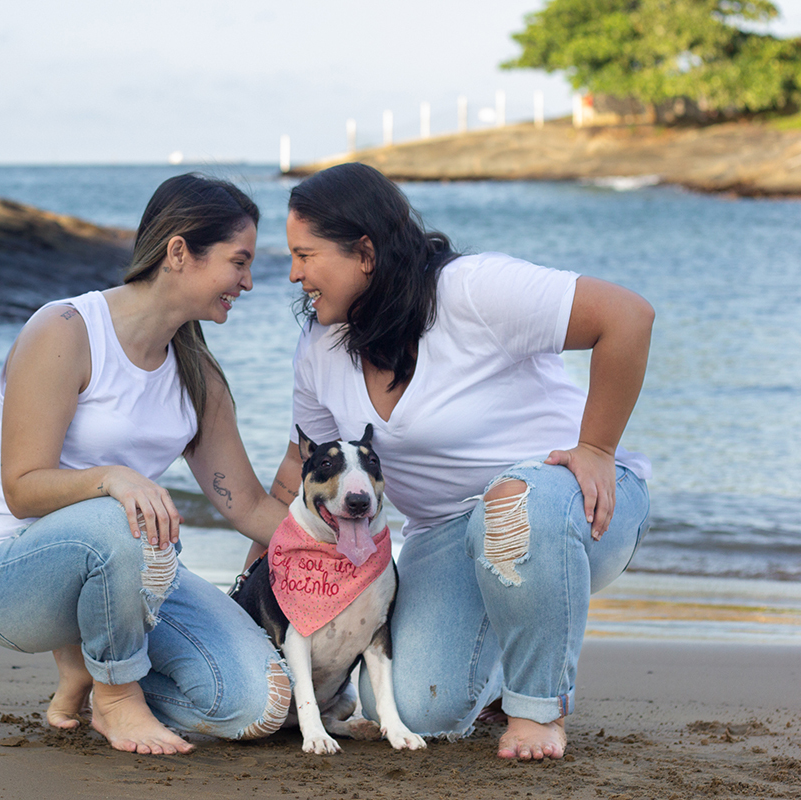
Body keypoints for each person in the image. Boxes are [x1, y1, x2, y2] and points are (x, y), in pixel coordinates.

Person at [257, 163, 653, 761]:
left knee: (512, 506)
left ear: (364, 253)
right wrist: (261, 577)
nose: (294, 274)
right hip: (445, 532)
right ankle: (504, 660)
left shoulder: (473, 290)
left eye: (305, 255)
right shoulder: (320, 344)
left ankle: (538, 709)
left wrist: (597, 447)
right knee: (412, 707)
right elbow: (299, 468)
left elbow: (627, 317)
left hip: (573, 501)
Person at [0, 174, 292, 756]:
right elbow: (21, 489)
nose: (248, 282)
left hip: (129, 576)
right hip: (5, 575)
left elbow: (251, 507)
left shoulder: (199, 377)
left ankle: (95, 660)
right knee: (125, 516)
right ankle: (116, 698)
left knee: (261, 704)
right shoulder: (66, 331)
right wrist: (113, 478)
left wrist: (346, 544)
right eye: (238, 262)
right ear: (179, 252)